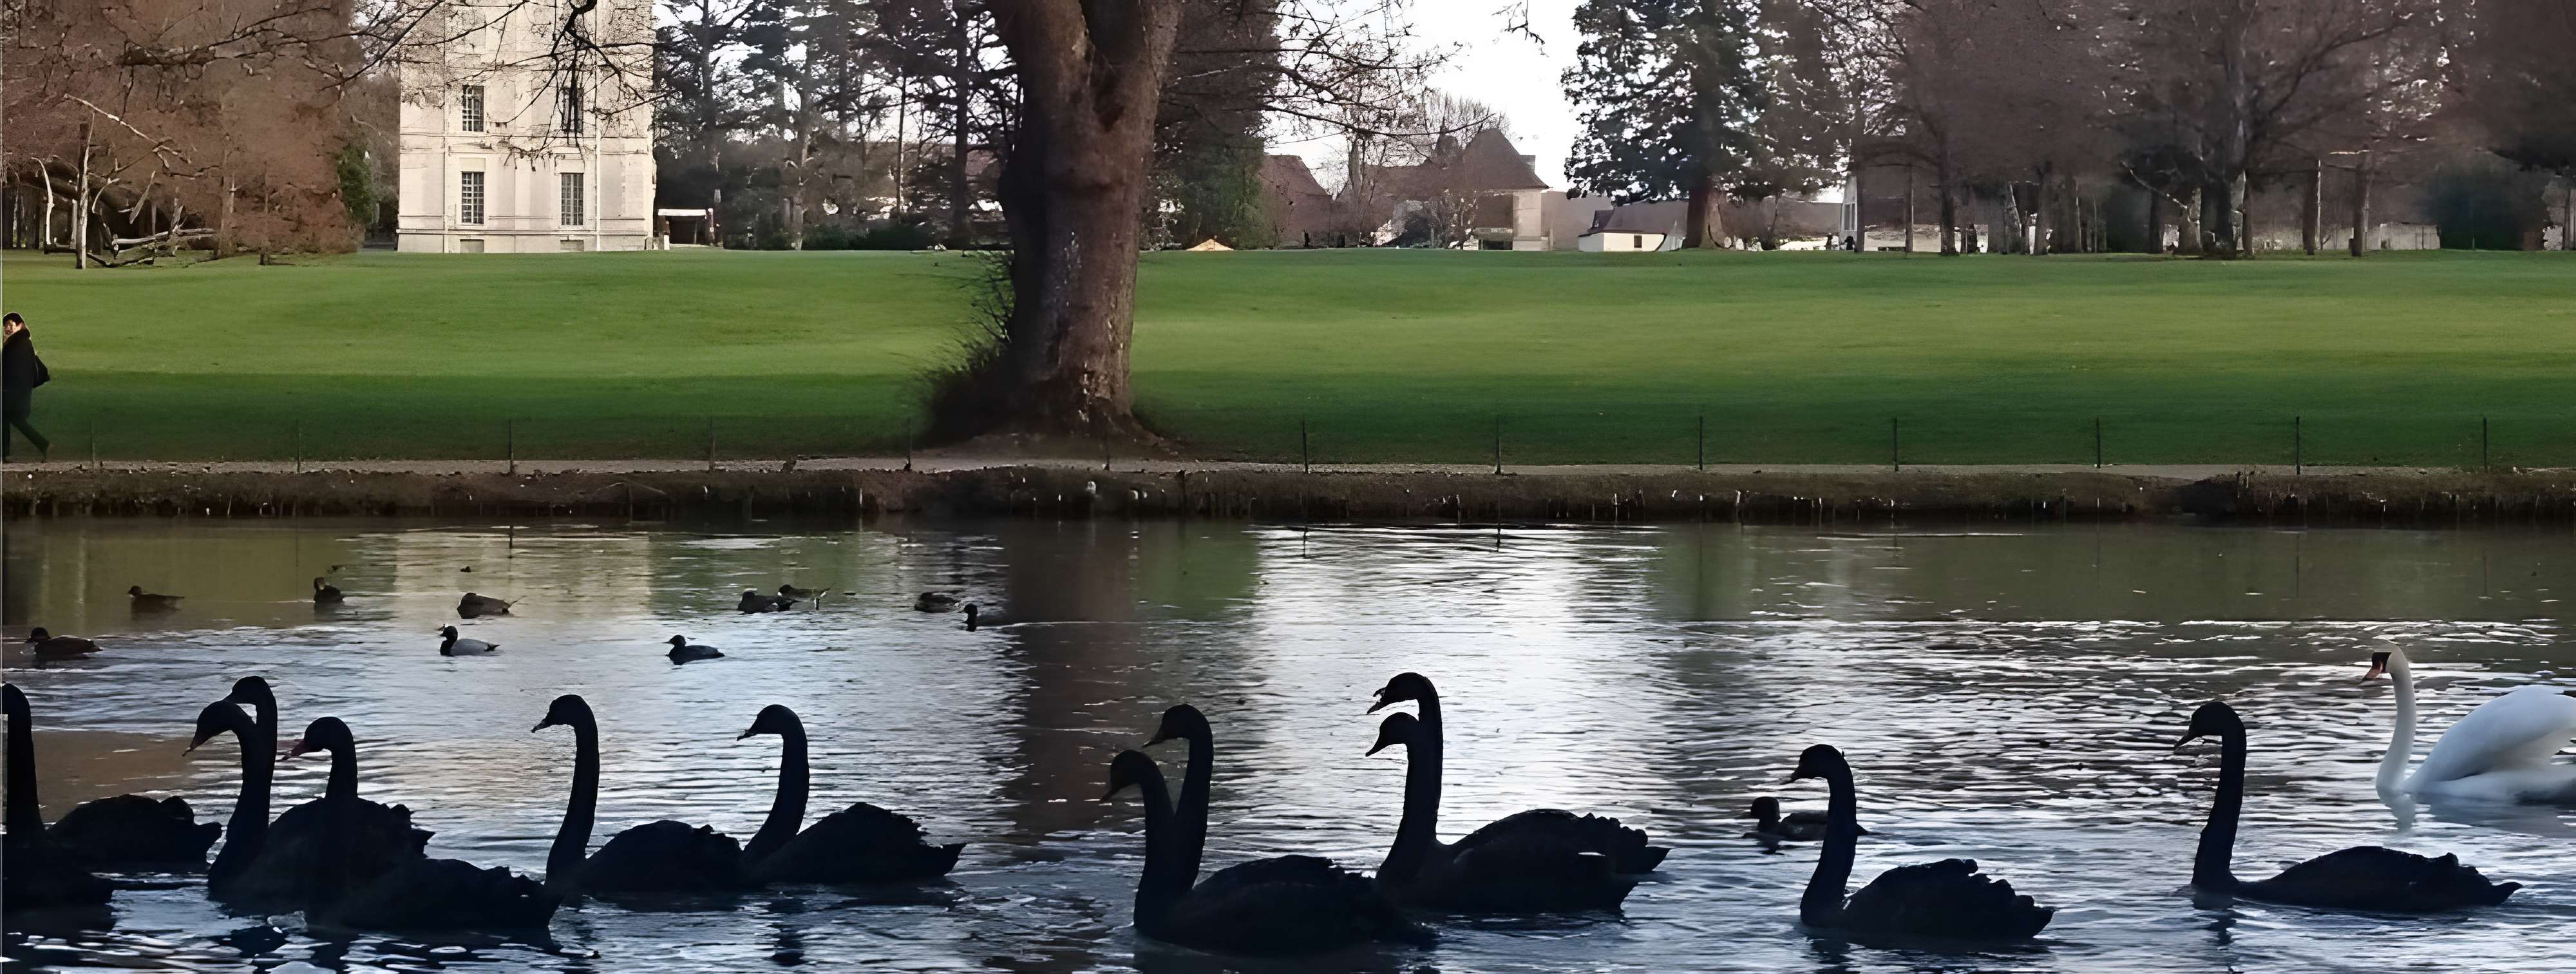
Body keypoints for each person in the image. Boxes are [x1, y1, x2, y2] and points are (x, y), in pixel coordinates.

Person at [3, 312, 51, 461]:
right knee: (8, 419)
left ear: (20, 325)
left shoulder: (16, 345)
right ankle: (5, 454)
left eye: (11, 325)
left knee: (11, 419)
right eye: (6, 326)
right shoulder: (21, 342)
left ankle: (44, 445)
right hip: (17, 392)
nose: (8, 329)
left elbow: (11, 370)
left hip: (14, 393)